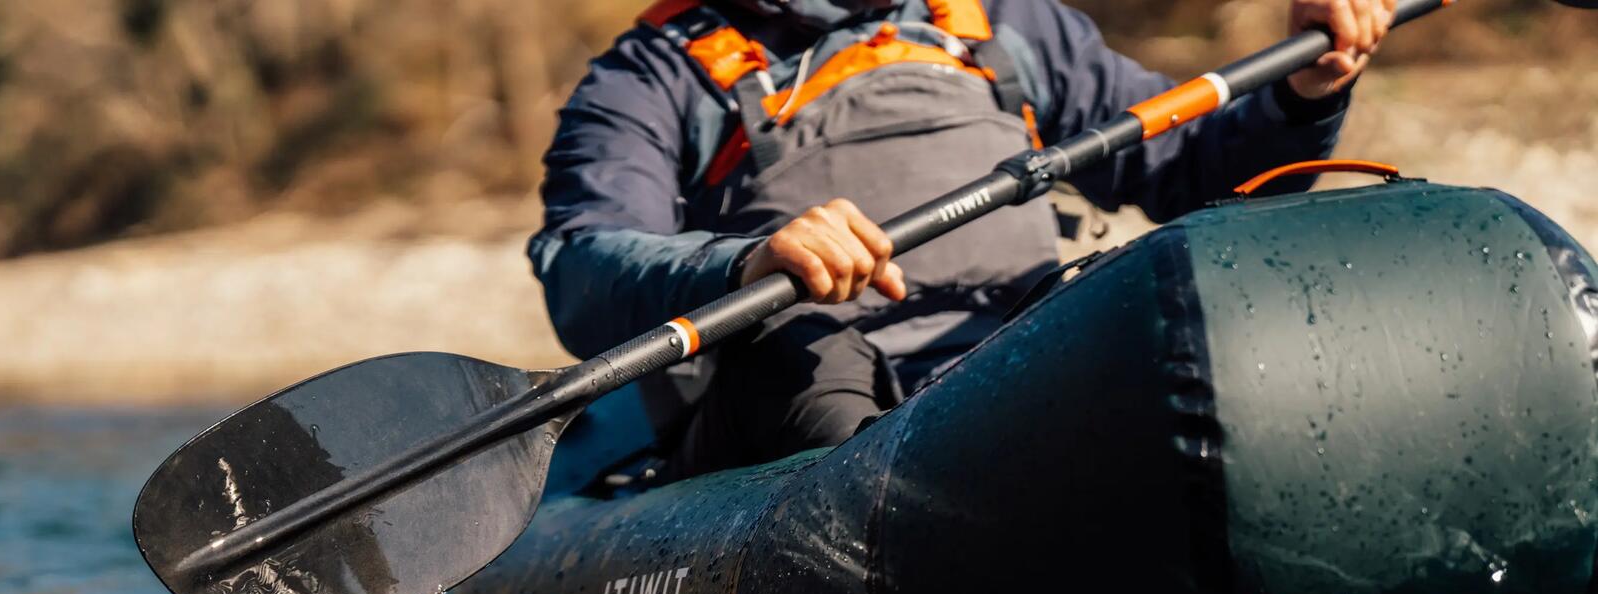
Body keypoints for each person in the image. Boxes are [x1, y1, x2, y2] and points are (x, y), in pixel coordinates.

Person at [530, 0, 1395, 478]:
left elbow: (1195, 173)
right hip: (798, 411)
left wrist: (1304, 90)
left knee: (1123, 295)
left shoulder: (1008, 28)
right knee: (806, 353)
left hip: (1006, 382)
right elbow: (584, 261)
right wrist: (746, 261)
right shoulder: (653, 74)